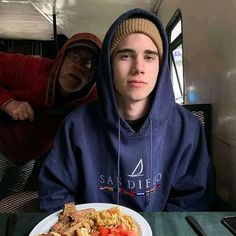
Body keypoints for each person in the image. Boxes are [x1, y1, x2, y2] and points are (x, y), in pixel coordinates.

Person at [39, 8, 215, 212]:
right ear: (109, 65)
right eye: (126, 56)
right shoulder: (75, 126)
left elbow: (192, 201)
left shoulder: (188, 128)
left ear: (161, 66)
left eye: (149, 57)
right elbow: (55, 194)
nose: (138, 67)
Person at [0, 32, 102, 199]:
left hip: (26, 159)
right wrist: (8, 102)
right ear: (61, 58)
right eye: (74, 56)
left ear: (93, 76)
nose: (79, 67)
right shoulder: (31, 69)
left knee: (8, 203)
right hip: (2, 146)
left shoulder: (92, 97)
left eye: (88, 64)